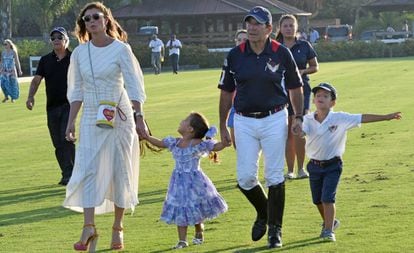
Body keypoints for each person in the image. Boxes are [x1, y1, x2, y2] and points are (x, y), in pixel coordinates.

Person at [62, 2, 148, 252]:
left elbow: (134, 86)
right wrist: (71, 122)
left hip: (119, 115)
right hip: (91, 114)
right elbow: (76, 90)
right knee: (88, 169)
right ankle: (88, 227)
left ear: (106, 20)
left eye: (96, 17)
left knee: (120, 170)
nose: (91, 22)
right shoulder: (79, 53)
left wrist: (140, 116)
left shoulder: (122, 50)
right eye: (86, 19)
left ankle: (117, 227)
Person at [218, 6, 304, 248]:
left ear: (269, 29)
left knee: (274, 175)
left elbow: (295, 87)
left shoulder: (281, 52)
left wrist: (297, 117)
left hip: (275, 117)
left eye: (257, 24)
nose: (252, 28)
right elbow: (226, 92)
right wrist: (223, 124)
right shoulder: (235, 54)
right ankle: (265, 213)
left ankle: (275, 231)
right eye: (249, 23)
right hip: (244, 119)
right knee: (245, 178)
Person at [302, 83, 402, 242]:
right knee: (317, 200)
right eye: (318, 96)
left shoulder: (340, 118)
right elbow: (300, 131)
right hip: (314, 165)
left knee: (328, 197)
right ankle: (332, 222)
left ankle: (328, 231)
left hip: (333, 165)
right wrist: (296, 128)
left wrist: (386, 117)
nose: (321, 98)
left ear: (332, 103)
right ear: (314, 100)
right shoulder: (307, 119)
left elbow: (363, 117)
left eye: (325, 96)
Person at [144, 112, 229, 249]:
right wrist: (147, 137)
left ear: (190, 129)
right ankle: (182, 240)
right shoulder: (175, 142)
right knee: (180, 207)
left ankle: (199, 229)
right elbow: (160, 143)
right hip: (178, 183)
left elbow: (214, 146)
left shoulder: (198, 144)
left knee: (195, 206)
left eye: (185, 120)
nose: (181, 121)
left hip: (195, 182)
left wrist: (224, 143)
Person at [26, 27, 75, 186]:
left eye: (59, 37)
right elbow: (36, 80)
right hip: (52, 107)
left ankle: (71, 173)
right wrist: (30, 97)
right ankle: (66, 172)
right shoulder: (45, 60)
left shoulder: (74, 58)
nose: (56, 40)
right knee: (57, 143)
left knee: (66, 138)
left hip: (70, 105)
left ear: (66, 40)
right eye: (53, 37)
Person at [275, 14, 319, 180]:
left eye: (291, 26)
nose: (288, 28)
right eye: (285, 26)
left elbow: (315, 66)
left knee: (299, 129)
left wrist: (302, 71)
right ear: (280, 28)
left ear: (296, 28)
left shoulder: (304, 45)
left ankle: (301, 169)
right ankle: (290, 170)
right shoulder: (274, 47)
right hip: (280, 91)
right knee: (287, 132)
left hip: (302, 90)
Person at [227, 29, 247, 149]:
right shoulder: (232, 58)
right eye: (239, 40)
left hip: (250, 107)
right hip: (235, 106)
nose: (241, 42)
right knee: (237, 146)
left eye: (245, 40)